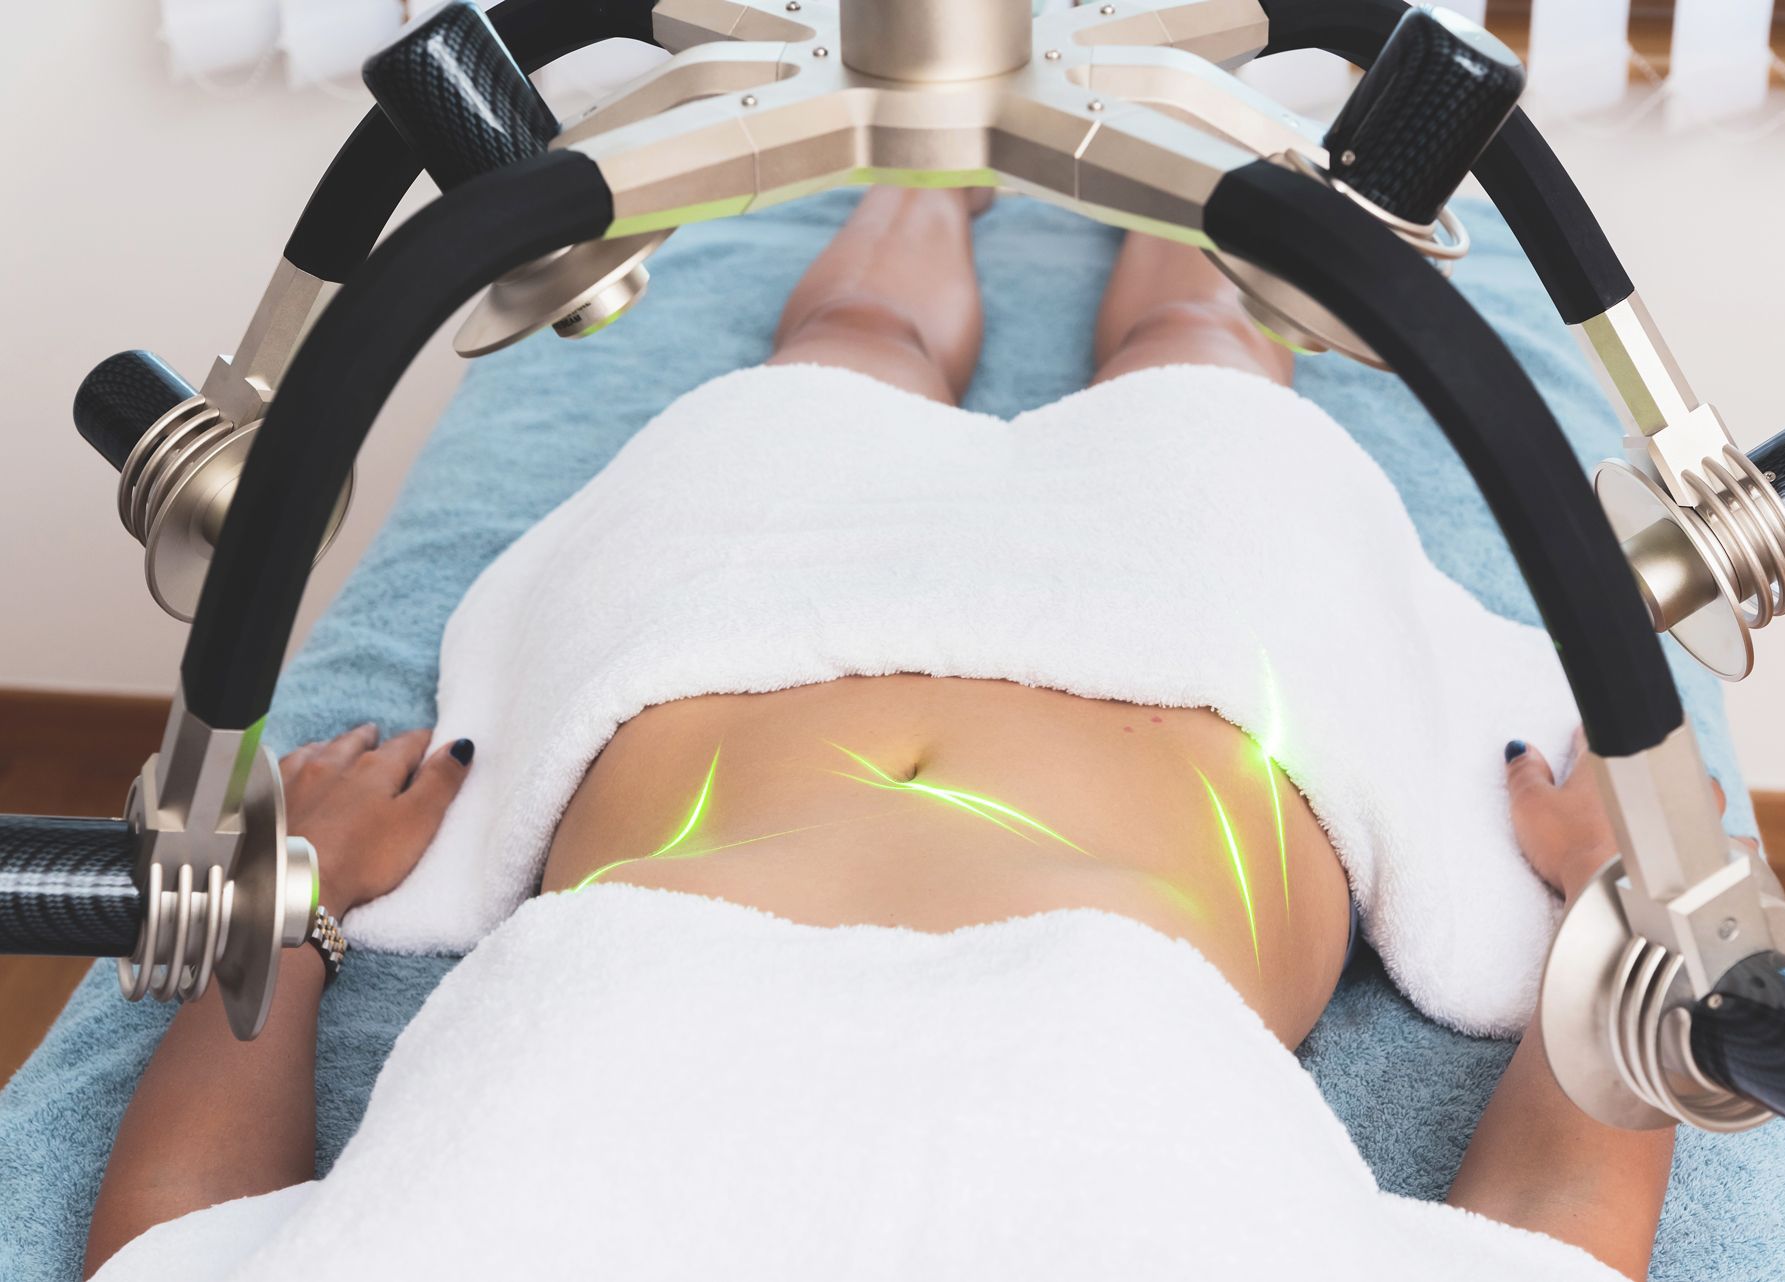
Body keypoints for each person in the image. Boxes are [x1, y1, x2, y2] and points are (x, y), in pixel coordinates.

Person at [85, 188, 1682, 1279]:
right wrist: (1623, 904)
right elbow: (1550, 1231)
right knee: (1198, 347)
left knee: (854, 340)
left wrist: (293, 903)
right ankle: (1178, 176)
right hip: (1200, 664)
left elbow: (169, 1236)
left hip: (714, 642)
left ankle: (927, 174)